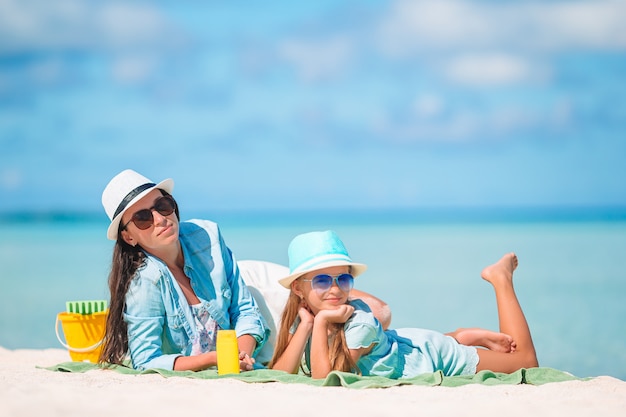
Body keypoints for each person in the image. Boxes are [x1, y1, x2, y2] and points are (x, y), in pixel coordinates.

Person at [98, 169, 391, 371]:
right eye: (143, 218)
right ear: (129, 236)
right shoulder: (144, 284)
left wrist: (244, 350)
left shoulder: (207, 235)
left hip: (243, 282)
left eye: (163, 205)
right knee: (361, 322)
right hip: (232, 309)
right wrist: (215, 359)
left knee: (379, 312)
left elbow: (244, 309)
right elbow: (146, 360)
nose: (161, 218)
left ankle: (431, 344)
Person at [269, 230, 539, 379]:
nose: (336, 289)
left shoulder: (359, 323)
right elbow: (280, 373)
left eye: (344, 279)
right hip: (404, 345)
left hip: (431, 356)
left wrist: (323, 322)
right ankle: (461, 336)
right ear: (298, 289)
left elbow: (322, 380)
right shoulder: (304, 316)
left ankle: (500, 280)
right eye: (322, 281)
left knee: (525, 361)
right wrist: (306, 324)